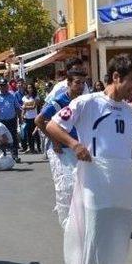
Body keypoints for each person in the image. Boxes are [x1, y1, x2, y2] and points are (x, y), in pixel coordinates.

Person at [46, 54, 132, 264]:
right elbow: (52, 125)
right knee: (94, 242)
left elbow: (121, 138)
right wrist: (74, 144)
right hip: (94, 183)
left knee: (117, 243)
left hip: (121, 183)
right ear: (116, 77)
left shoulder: (128, 110)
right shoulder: (87, 103)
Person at [35, 68, 86, 228]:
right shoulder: (58, 102)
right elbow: (39, 120)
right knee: (66, 184)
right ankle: (66, 223)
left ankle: (79, 218)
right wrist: (54, 139)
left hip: (75, 146)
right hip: (59, 149)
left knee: (80, 182)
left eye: (84, 83)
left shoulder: (83, 101)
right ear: (69, 83)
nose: (81, 86)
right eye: (77, 82)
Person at [0, 78, 21, 163]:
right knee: (1, 138)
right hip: (1, 121)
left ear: (7, 86)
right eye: (1, 85)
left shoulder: (13, 95)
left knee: (13, 137)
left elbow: (17, 107)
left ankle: (14, 156)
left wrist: (20, 119)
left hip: (12, 119)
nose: (3, 87)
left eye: (4, 85)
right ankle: (3, 155)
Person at [21, 83, 39, 153]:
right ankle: (31, 148)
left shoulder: (36, 97)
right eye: (28, 88)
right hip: (27, 117)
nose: (30, 89)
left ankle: (38, 147)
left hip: (34, 117)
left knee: (36, 133)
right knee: (29, 133)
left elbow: (34, 107)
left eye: (31, 87)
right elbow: (23, 109)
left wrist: (25, 107)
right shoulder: (24, 97)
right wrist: (22, 115)